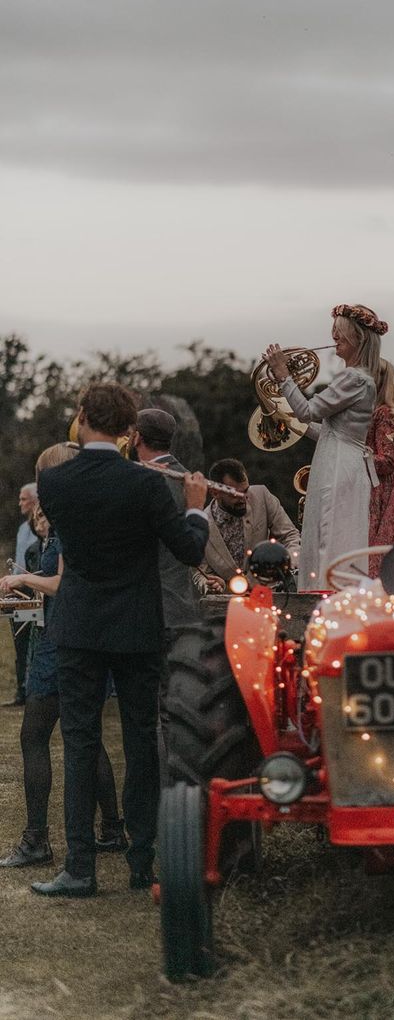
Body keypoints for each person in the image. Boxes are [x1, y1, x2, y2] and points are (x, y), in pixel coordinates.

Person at [30, 383, 209, 898]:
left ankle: (80, 869)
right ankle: (141, 864)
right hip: (136, 628)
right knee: (139, 740)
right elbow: (191, 551)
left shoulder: (54, 483)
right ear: (131, 431)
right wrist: (195, 505)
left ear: (82, 418)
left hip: (79, 627)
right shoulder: (148, 486)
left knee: (80, 743)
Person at [0, 452, 125, 868]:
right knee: (86, 735)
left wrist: (22, 578)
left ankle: (37, 840)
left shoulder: (69, 519)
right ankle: (111, 829)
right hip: (76, 635)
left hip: (63, 643)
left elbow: (65, 582)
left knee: (34, 737)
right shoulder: (77, 515)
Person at [264, 303, 387, 590]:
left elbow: (309, 410)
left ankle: (324, 595)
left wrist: (283, 375)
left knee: (330, 533)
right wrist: (289, 419)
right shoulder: (359, 378)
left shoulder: (354, 378)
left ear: (358, 339)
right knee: (328, 532)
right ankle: (325, 593)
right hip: (338, 457)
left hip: (338, 465)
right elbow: (329, 432)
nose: (334, 337)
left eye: (340, 333)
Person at [130, 408, 203, 766]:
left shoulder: (147, 480)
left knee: (157, 713)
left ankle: (166, 797)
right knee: (173, 707)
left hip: (150, 607)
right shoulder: (186, 479)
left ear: (136, 438)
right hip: (181, 605)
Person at [195, 457, 301, 592]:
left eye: (245, 491)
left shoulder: (261, 495)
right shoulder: (201, 524)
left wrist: (287, 562)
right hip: (228, 602)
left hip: (272, 593)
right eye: (235, 494)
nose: (243, 499)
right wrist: (210, 584)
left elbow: (290, 535)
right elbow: (200, 573)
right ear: (215, 492)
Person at [366, 360, 394, 578]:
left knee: (373, 558)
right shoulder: (372, 411)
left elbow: (388, 461)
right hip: (370, 486)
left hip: (379, 492)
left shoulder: (385, 413)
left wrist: (354, 458)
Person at [3, 483, 38, 707]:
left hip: (35, 587)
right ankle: (21, 690)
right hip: (18, 588)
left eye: (23, 499)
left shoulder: (42, 528)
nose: (20, 503)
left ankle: (33, 689)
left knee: (33, 640)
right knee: (19, 641)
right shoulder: (23, 529)